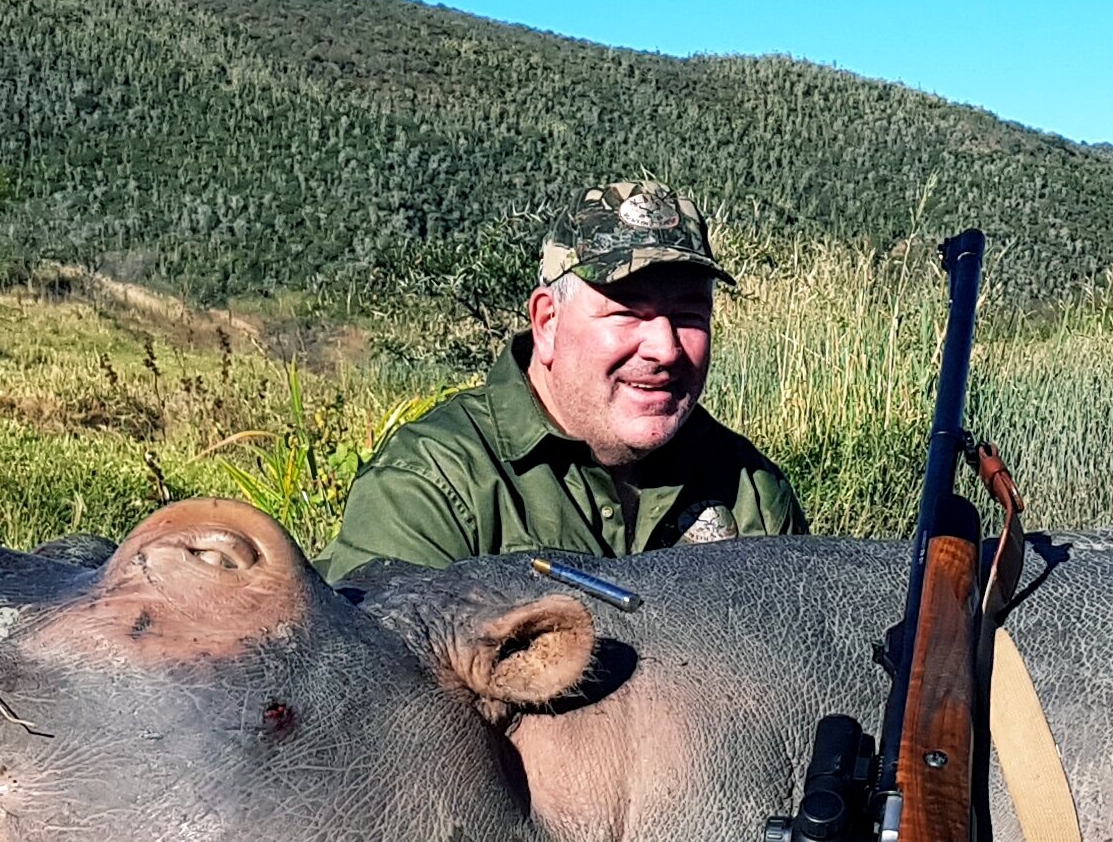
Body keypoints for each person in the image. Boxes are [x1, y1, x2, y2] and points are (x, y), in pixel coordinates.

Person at [321, 182, 804, 585]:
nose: (665, 348)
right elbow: (378, 686)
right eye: (626, 313)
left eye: (689, 316)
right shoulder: (432, 485)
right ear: (547, 322)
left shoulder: (750, 490)